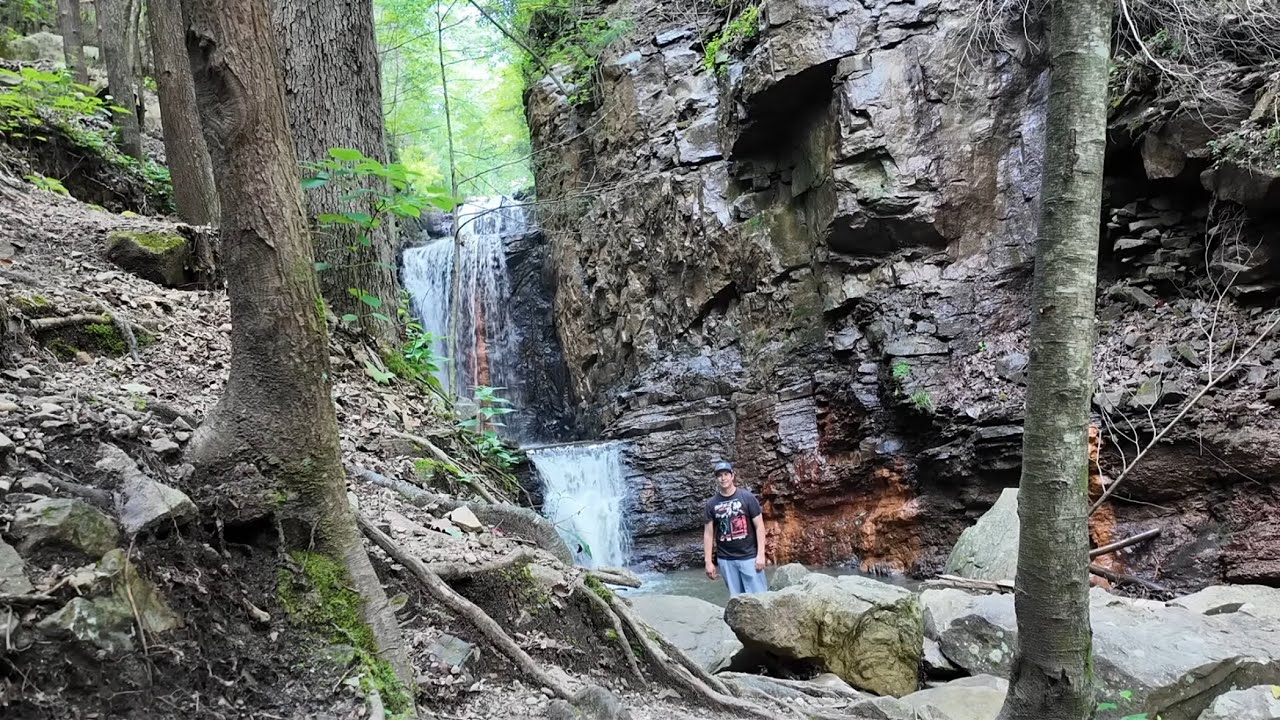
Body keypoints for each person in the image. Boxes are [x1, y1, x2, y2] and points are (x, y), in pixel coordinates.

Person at [703, 460, 768, 596]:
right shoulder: (711, 504)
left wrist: (761, 554)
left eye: (726, 474)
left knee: (760, 598)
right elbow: (708, 534)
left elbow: (759, 526)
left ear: (732, 476)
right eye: (720, 475)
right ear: (717, 479)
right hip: (726, 560)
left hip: (749, 557)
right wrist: (708, 562)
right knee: (736, 600)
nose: (723, 478)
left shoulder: (748, 498)